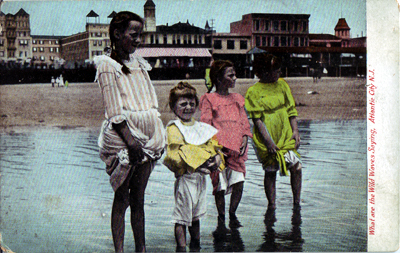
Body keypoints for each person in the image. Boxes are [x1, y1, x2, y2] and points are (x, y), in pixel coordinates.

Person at [93, 11, 165, 253]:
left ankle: (141, 249)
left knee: (139, 198)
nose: (138, 40)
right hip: (125, 140)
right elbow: (114, 111)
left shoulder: (140, 64)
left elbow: (148, 101)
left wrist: (150, 136)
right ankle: (120, 250)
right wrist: (132, 142)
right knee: (122, 197)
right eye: (134, 34)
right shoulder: (107, 65)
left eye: (140, 35)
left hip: (146, 139)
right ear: (117, 34)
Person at [163, 81, 225, 252]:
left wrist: (217, 159)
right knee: (182, 218)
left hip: (200, 179)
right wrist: (200, 159)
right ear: (173, 107)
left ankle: (196, 244)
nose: (188, 107)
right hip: (185, 178)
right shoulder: (174, 128)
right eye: (183, 104)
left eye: (192, 103)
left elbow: (213, 146)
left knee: (196, 216)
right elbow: (175, 155)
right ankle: (181, 247)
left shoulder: (200, 128)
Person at [245, 53, 302, 210]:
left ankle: (297, 202)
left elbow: (291, 110)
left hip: (285, 132)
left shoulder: (282, 85)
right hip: (267, 135)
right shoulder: (253, 91)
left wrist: (295, 131)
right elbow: (257, 120)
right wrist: (268, 141)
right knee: (271, 171)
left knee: (296, 167)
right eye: (275, 70)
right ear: (263, 72)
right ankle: (272, 204)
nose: (279, 73)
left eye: (278, 69)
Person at [199, 60, 253, 228]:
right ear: (219, 78)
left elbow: (244, 122)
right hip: (219, 150)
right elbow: (206, 124)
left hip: (236, 149)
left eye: (234, 74)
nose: (235, 78)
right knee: (220, 186)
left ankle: (232, 213)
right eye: (231, 75)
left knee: (239, 181)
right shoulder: (209, 98)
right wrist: (212, 148)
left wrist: (245, 136)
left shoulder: (237, 99)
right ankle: (222, 217)